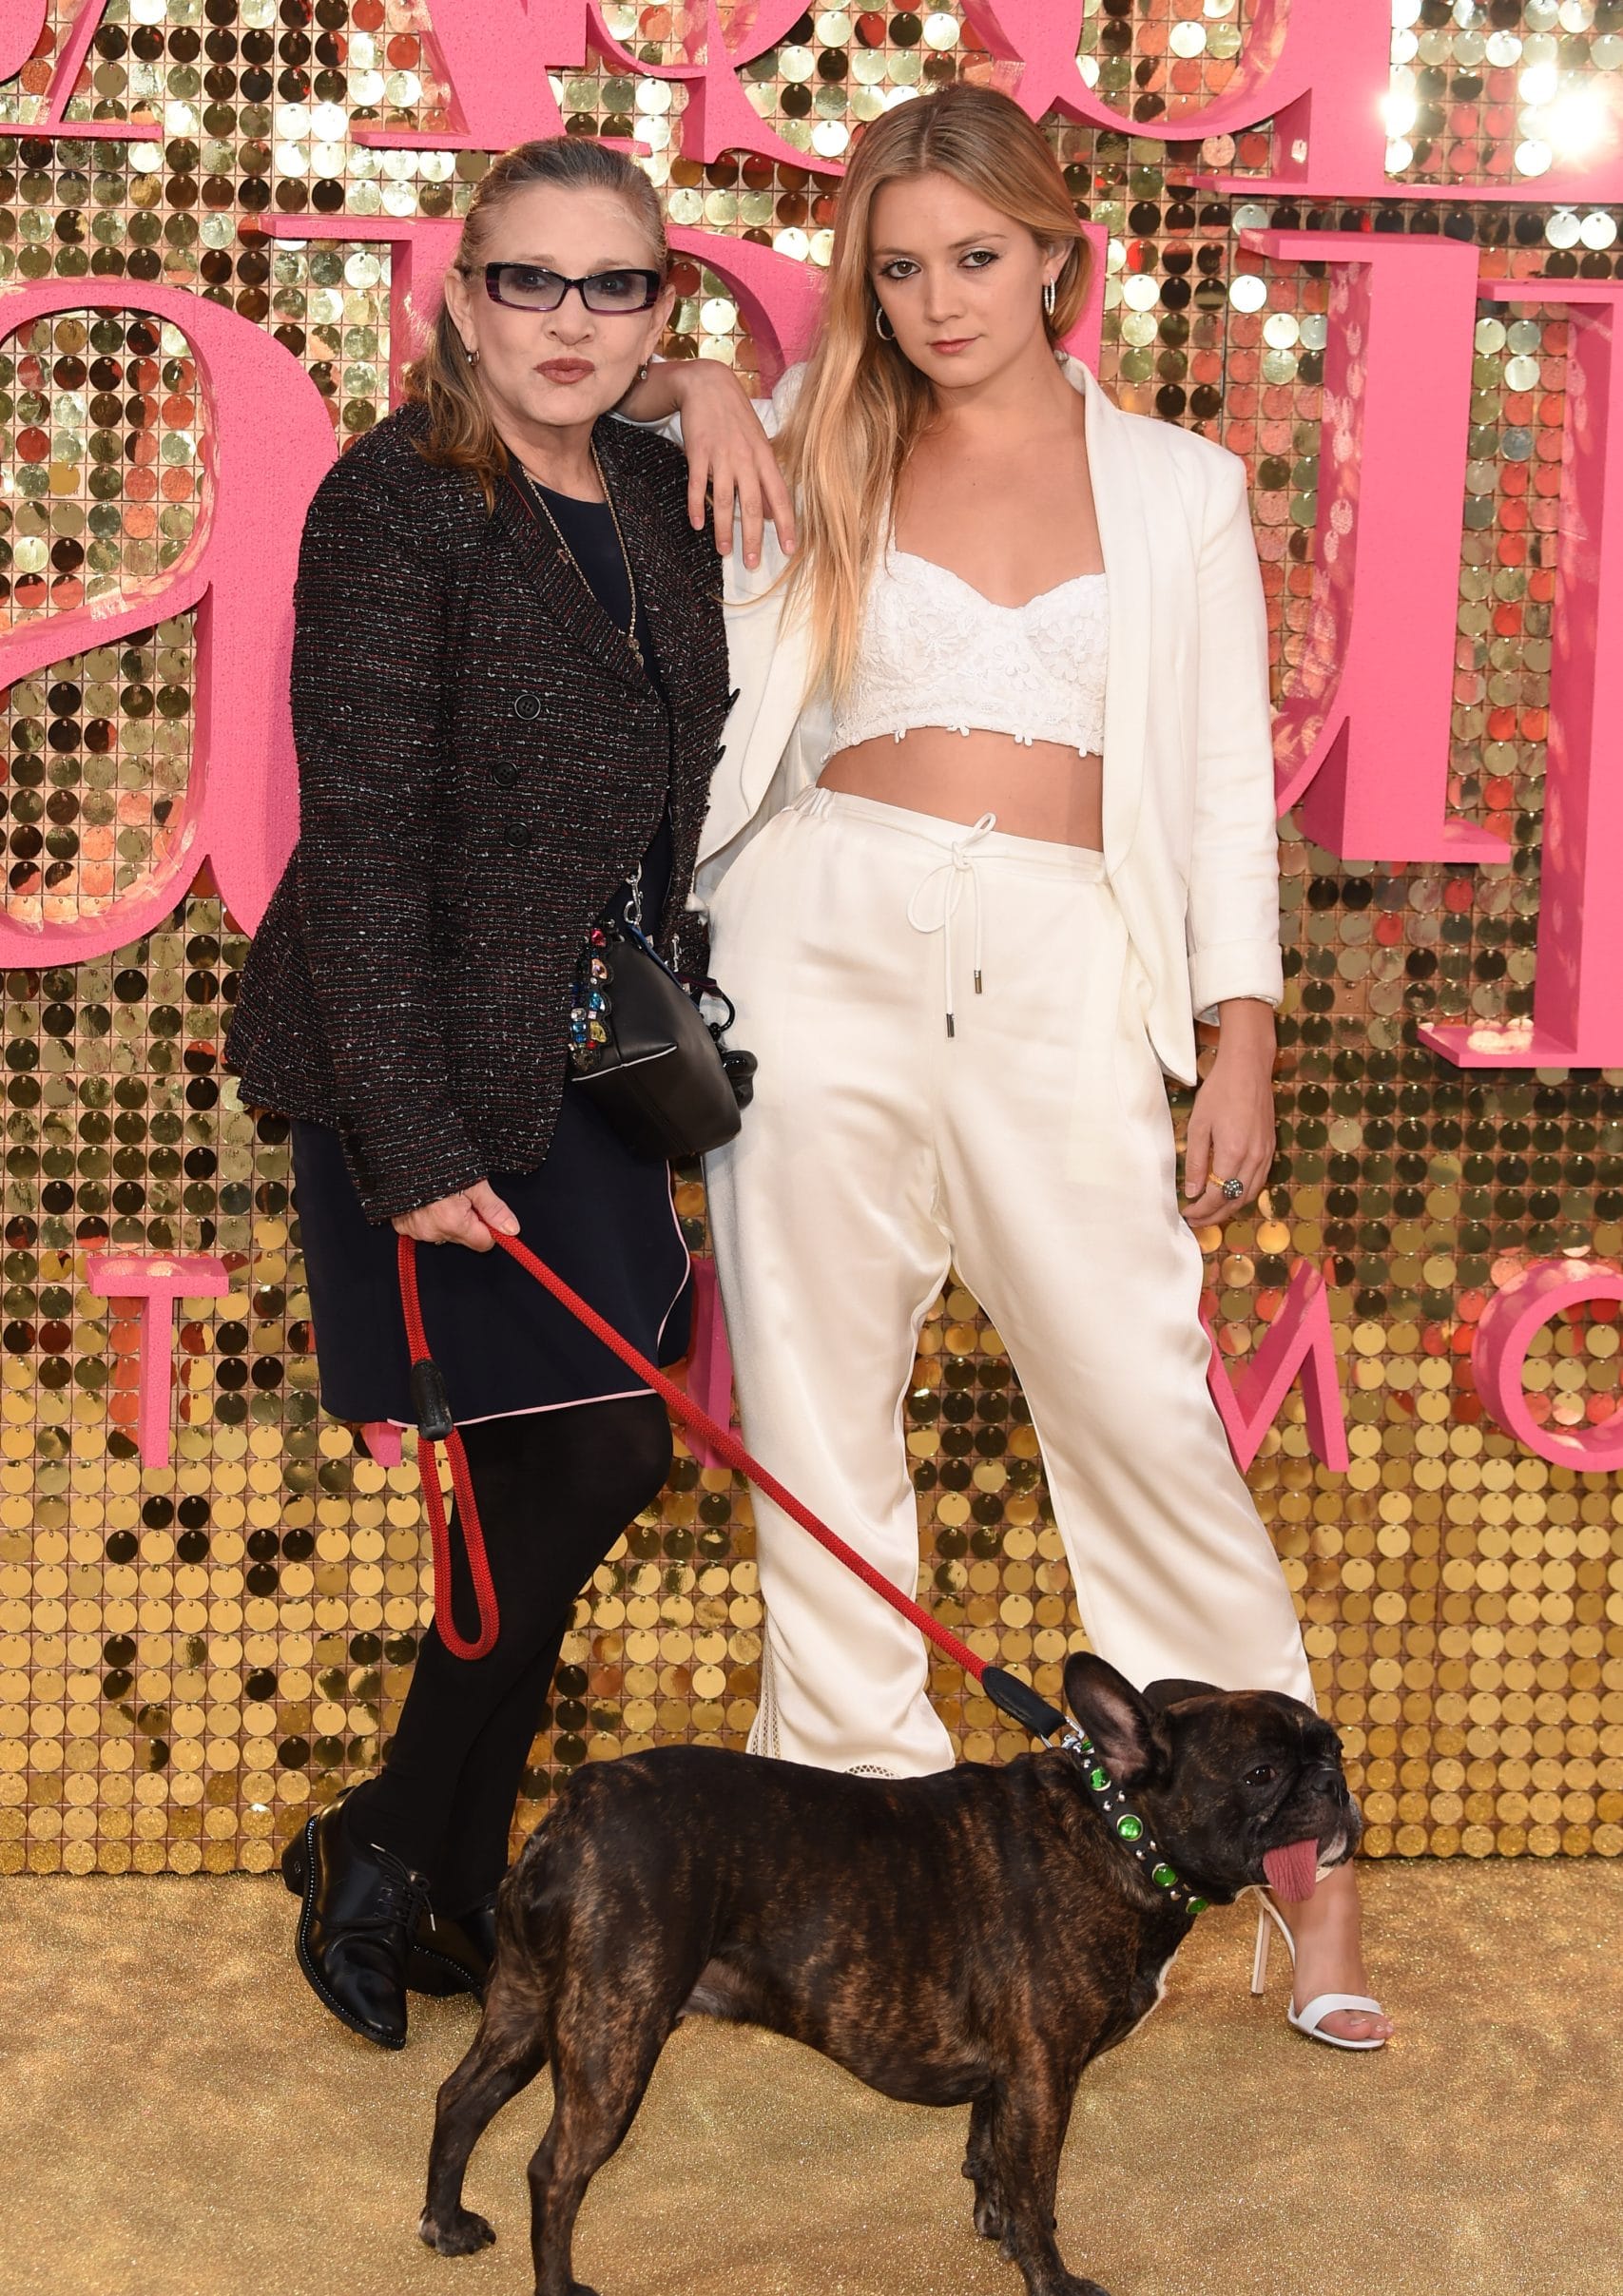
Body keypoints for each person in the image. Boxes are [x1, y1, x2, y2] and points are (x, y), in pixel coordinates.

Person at [625, 87, 1392, 2048]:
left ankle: (1296, 1868)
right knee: (815, 1409)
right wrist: (709, 375)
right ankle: (844, 1861)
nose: (938, 298)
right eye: (895, 267)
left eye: (974, 256)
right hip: (820, 931)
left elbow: (1218, 785)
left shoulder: (1173, 487)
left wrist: (1240, 1030)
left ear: (1055, 251)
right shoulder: (820, 437)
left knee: (1139, 1401)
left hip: (1064, 960)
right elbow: (575, 384)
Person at [223, 137, 734, 2050]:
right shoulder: (395, 502)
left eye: (618, 289)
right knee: (578, 1455)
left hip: (589, 1054)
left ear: (657, 305)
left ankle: (411, 1848)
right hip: (411, 1049)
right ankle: (396, 1851)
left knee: (575, 1459)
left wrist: (725, 384)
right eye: (534, 280)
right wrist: (411, 1141)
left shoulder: (669, 489)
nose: (573, 323)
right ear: (461, 292)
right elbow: (356, 843)